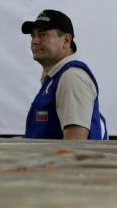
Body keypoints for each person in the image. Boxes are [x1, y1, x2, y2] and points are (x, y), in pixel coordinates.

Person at [21, 9, 107, 140]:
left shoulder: (71, 78)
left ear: (66, 40)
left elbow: (75, 146)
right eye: (33, 36)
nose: (35, 41)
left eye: (43, 34)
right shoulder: (57, 77)